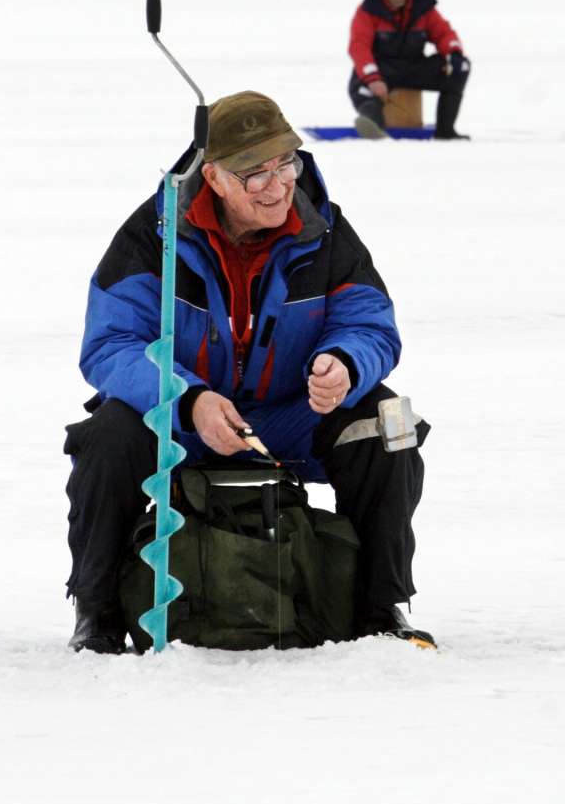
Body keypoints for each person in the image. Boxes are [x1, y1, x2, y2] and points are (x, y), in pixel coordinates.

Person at [64, 90, 432, 654]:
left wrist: (345, 364)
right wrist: (186, 400)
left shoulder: (325, 231)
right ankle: (99, 612)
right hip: (185, 423)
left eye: (287, 163)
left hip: (290, 416)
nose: (278, 184)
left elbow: (370, 322)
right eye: (254, 174)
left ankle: (378, 609)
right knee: (109, 435)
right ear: (213, 177)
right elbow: (110, 344)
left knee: (384, 425)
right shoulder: (153, 237)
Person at [348, 0, 471, 139]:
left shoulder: (424, 8)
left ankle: (446, 131)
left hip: (415, 68)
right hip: (382, 69)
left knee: (460, 66)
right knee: (361, 82)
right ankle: (372, 125)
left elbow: (444, 33)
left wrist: (454, 53)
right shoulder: (368, 9)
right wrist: (372, 77)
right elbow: (359, 46)